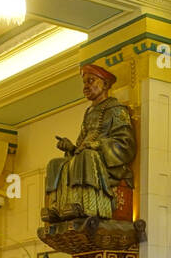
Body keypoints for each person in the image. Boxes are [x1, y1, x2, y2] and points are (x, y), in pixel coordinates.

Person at [43, 64, 137, 220]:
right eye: (84, 83)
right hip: (86, 158)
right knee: (55, 163)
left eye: (91, 81)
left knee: (86, 156)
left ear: (105, 85)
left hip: (108, 163)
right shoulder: (89, 113)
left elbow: (126, 143)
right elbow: (81, 144)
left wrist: (98, 145)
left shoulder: (117, 109)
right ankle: (56, 207)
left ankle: (86, 206)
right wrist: (71, 147)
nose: (86, 86)